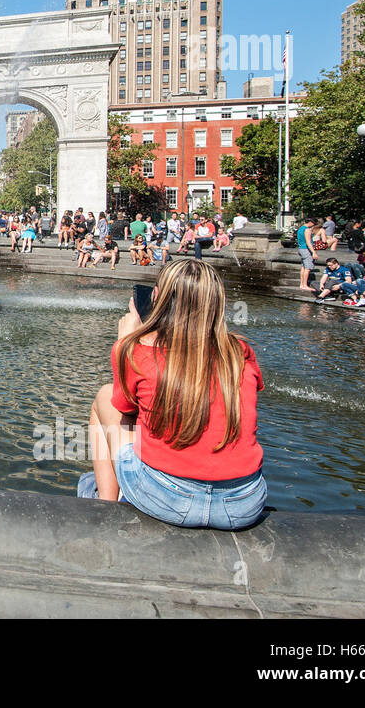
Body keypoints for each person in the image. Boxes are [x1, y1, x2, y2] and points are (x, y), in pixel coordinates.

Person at [79, 259, 266, 531]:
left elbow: (126, 407)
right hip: (243, 504)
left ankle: (106, 508)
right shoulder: (239, 351)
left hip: (166, 498)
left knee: (105, 399)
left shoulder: (138, 349)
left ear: (158, 297)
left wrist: (125, 342)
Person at [295, 217, 318, 291]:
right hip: (306, 249)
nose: (313, 225)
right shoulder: (307, 230)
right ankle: (305, 285)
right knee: (307, 268)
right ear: (310, 222)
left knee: (303, 267)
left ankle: (302, 284)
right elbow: (308, 242)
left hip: (301, 249)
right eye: (314, 223)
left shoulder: (300, 228)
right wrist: (314, 252)